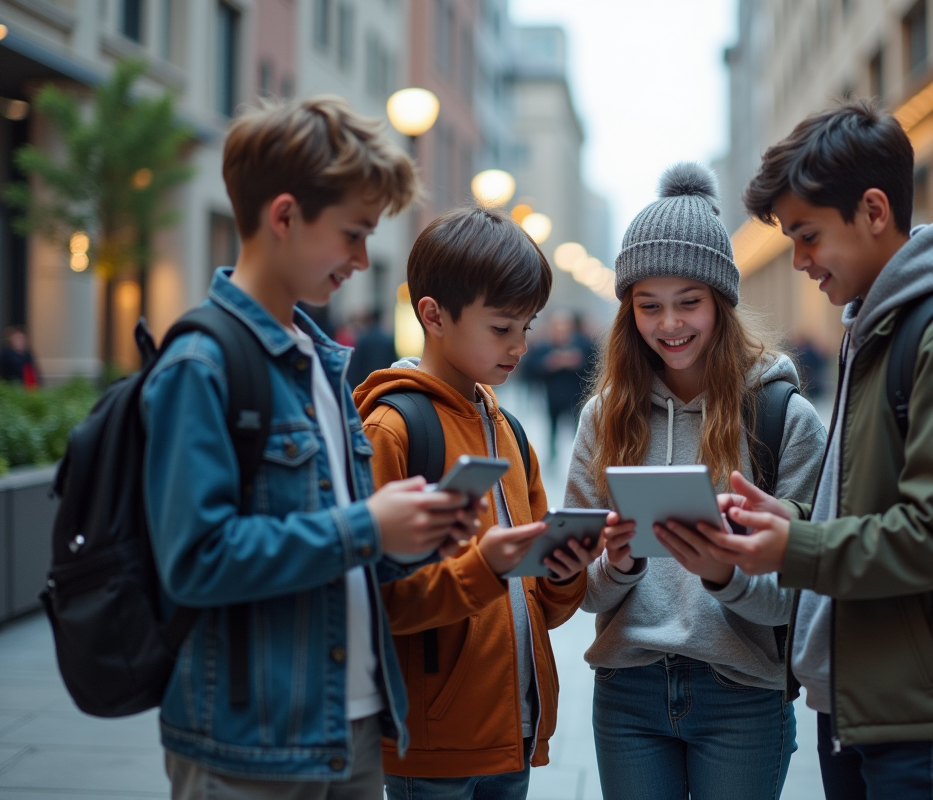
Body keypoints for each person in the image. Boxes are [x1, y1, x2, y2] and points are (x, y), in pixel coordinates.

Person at [143, 96, 480, 800]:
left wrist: (412, 535)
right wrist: (367, 525)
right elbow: (195, 561)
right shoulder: (201, 365)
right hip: (250, 748)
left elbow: (338, 548)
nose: (363, 260)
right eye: (353, 234)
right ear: (285, 215)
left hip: (352, 730)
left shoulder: (322, 363)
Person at [696, 100, 933, 800]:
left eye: (808, 235)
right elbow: (866, 499)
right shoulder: (877, 328)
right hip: (857, 695)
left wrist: (796, 547)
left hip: (915, 710)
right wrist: (780, 517)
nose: (799, 260)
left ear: (874, 210)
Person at [564, 162, 827, 800]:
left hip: (742, 694)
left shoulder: (781, 415)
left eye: (689, 302)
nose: (669, 325)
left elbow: (800, 600)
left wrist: (722, 573)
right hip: (628, 693)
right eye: (648, 306)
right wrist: (618, 566)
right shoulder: (606, 415)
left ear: (721, 302)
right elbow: (582, 593)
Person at [353, 207, 601, 800]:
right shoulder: (392, 430)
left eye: (528, 326)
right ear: (432, 315)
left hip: (510, 729)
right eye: (501, 328)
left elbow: (539, 602)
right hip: (432, 743)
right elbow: (372, 604)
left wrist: (566, 572)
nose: (520, 346)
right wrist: (483, 569)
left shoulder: (510, 431)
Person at [526, 308, 595, 459]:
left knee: (577, 427)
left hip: (577, 395)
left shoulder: (583, 343)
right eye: (558, 325)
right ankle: (552, 454)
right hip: (553, 396)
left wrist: (577, 362)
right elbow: (530, 369)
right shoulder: (544, 346)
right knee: (552, 427)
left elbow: (595, 366)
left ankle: (578, 454)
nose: (562, 329)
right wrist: (550, 363)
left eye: (565, 325)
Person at [350, 308, 398, 386]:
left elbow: (356, 365)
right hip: (384, 380)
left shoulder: (363, 339)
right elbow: (394, 361)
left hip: (366, 380)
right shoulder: (388, 339)